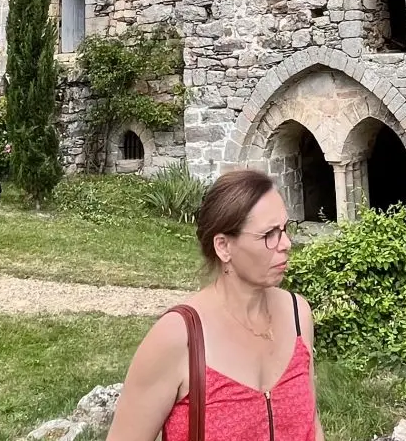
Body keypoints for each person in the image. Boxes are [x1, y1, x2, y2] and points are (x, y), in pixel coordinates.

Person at [106, 169, 321, 441]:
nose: (287, 244)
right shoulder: (178, 338)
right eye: (269, 234)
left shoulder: (297, 314)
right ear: (223, 247)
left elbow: (311, 426)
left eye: (285, 229)